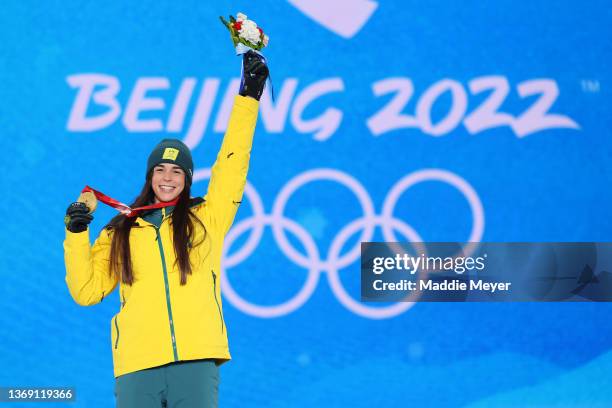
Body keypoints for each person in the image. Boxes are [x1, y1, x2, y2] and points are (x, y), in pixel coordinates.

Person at [63, 50, 269, 408]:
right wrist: (77, 233)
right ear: (150, 176)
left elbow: (233, 162)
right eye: (160, 170)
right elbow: (86, 291)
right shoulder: (120, 231)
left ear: (187, 179)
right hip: (137, 364)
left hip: (196, 360)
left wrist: (248, 97)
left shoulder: (208, 215)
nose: (168, 178)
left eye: (177, 172)